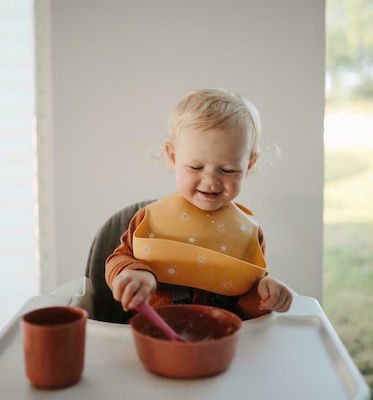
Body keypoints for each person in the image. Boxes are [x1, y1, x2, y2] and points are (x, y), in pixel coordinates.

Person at [105, 88, 293, 320]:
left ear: (249, 164)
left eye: (228, 170)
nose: (211, 181)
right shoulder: (150, 220)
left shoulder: (248, 235)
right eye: (196, 167)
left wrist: (264, 296)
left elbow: (245, 303)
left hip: (219, 338)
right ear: (173, 157)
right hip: (154, 331)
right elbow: (117, 259)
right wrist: (133, 272)